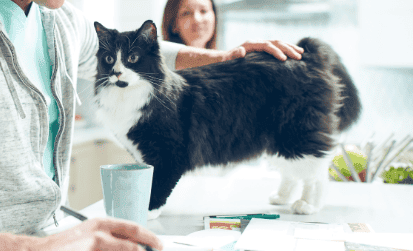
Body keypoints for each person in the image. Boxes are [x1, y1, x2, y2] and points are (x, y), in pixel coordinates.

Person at [0, 0, 303, 249]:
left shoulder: (62, 21)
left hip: (56, 233)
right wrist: (36, 247)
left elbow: (147, 56)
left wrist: (225, 57)